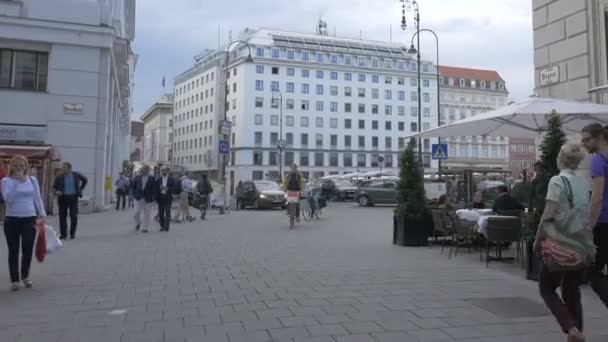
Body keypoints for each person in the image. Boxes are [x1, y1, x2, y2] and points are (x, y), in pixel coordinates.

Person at [534, 144, 597, 342]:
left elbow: (548, 214)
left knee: (546, 287)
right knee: (572, 288)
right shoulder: (584, 182)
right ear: (578, 161)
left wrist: (538, 238)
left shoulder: (557, 180)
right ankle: (577, 332)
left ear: (560, 158)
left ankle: (571, 329)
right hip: (580, 244)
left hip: (559, 242)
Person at [0, 155, 46, 291]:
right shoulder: (6, 181)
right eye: (16, 166)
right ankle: (15, 279)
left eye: (22, 165)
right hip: (12, 219)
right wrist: (17, 183)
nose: (19, 168)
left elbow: (37, 198)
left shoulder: (32, 180)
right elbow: (8, 199)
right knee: (13, 250)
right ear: (11, 167)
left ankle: (25, 275)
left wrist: (42, 214)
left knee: (27, 248)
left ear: (26, 166)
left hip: (29, 217)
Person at [581, 123, 608, 307]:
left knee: (591, 271)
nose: (584, 144)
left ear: (599, 137)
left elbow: (597, 199)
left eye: (587, 139)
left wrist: (589, 228)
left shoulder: (598, 160)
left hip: (604, 223)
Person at [52, 162, 88, 240]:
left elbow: (85, 180)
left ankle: (72, 234)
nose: (63, 169)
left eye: (65, 167)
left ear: (70, 168)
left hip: (73, 197)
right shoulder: (59, 177)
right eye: (63, 167)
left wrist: (80, 190)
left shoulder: (76, 175)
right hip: (63, 198)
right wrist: (56, 192)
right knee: (62, 217)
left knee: (74, 216)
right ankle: (63, 234)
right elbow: (54, 187)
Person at [132, 164, 156, 233]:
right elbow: (133, 187)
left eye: (146, 169)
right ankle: (138, 223)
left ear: (148, 170)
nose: (144, 170)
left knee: (147, 214)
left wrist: (153, 198)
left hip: (148, 199)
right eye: (143, 169)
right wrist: (134, 195)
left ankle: (145, 228)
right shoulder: (137, 177)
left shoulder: (152, 178)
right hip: (138, 198)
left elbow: (154, 189)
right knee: (136, 213)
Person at [156, 166, 177, 232]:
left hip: (168, 197)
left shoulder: (171, 179)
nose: (164, 172)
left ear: (167, 171)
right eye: (163, 170)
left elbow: (174, 188)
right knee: (161, 213)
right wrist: (156, 197)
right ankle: (162, 226)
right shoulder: (159, 179)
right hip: (161, 198)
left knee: (168, 212)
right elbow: (156, 189)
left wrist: (167, 189)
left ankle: (167, 226)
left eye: (165, 170)